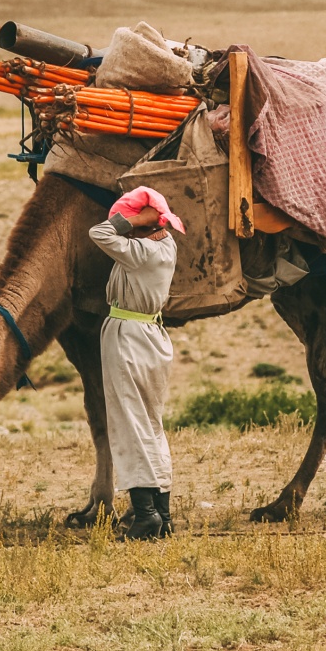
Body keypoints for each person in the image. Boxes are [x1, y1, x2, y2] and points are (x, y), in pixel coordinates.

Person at [89, 186, 183, 540]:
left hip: (128, 336)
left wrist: (128, 220)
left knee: (129, 423)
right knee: (151, 425)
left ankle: (145, 516)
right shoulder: (166, 246)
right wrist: (150, 219)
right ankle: (162, 512)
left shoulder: (140, 251)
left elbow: (98, 232)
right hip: (152, 337)